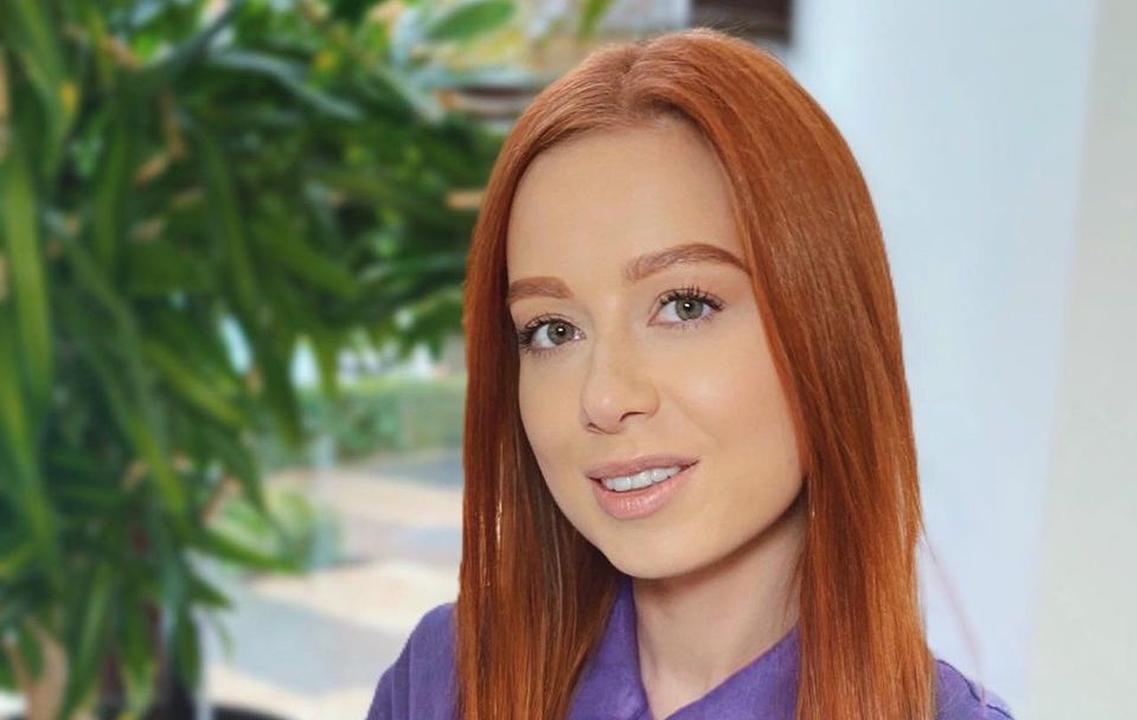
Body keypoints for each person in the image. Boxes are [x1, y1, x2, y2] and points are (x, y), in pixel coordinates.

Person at [366, 26, 1013, 720]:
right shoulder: (443, 679)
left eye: (684, 305)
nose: (605, 397)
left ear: (826, 327)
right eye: (553, 329)